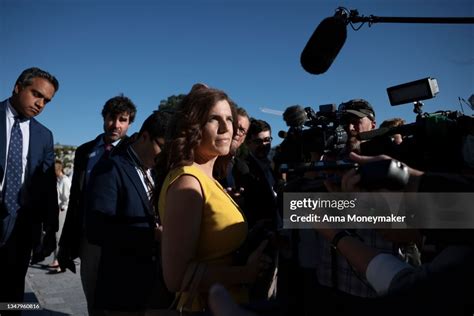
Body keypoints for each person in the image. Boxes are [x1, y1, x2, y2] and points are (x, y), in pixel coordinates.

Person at [158, 84, 269, 312]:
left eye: (229, 119)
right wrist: (245, 273)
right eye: (213, 119)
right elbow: (176, 277)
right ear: (192, 127)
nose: (225, 128)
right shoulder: (188, 182)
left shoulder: (208, 178)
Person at [86, 111, 173, 315]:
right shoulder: (110, 168)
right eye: (162, 147)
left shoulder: (156, 171)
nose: (165, 157)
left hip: (154, 287)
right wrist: (152, 234)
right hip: (122, 287)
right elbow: (97, 230)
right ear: (144, 137)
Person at [58, 94, 137, 315]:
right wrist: (66, 243)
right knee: (93, 297)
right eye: (112, 118)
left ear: (130, 123)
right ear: (104, 118)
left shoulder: (134, 151)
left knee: (119, 300)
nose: (116, 125)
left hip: (123, 238)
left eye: (123, 119)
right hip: (89, 238)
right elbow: (75, 198)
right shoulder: (85, 151)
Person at [0, 67, 59, 311]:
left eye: (46, 100)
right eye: (36, 94)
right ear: (17, 87)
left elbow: (47, 187)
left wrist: (51, 229)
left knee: (12, 298)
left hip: (21, 228)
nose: (40, 103)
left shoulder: (44, 135)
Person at [219, 106, 251, 205]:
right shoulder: (205, 160)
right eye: (235, 126)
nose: (237, 132)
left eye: (242, 130)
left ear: (244, 138)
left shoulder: (243, 168)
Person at [48, 160, 72, 273]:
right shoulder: (60, 180)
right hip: (59, 210)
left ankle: (59, 261)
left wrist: (61, 207)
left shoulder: (65, 181)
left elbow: (67, 198)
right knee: (56, 236)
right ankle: (57, 260)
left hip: (63, 210)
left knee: (59, 236)